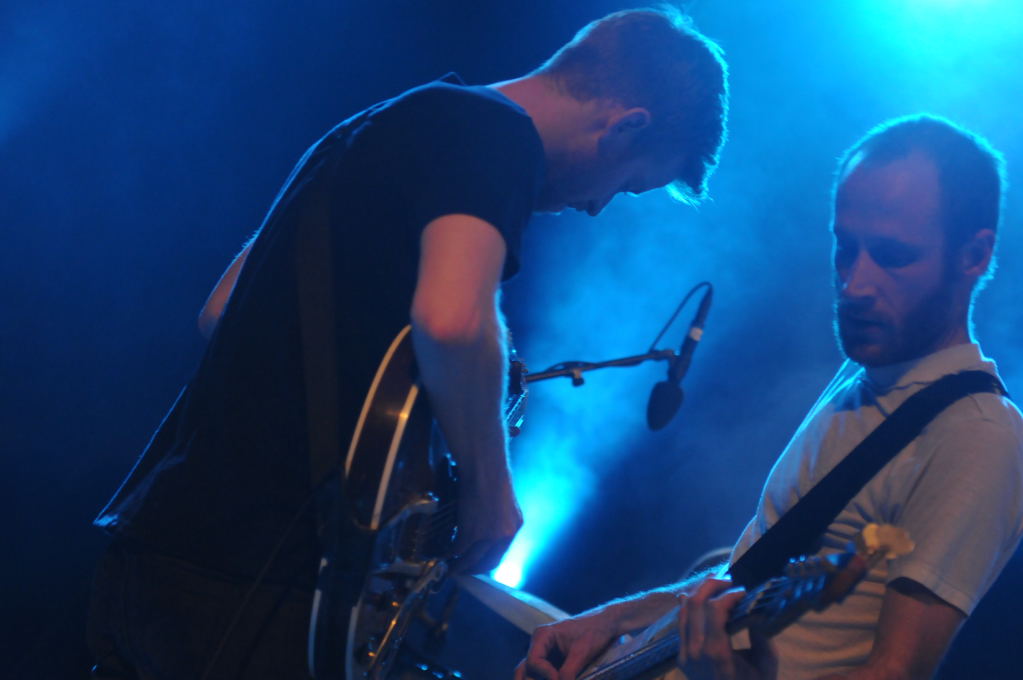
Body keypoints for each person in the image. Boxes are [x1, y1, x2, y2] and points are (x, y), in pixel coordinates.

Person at [86, 7, 730, 679]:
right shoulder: (496, 133)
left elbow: (221, 310)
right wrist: (489, 493)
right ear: (627, 125)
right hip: (252, 575)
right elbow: (454, 321)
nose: (598, 206)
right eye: (628, 184)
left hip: (162, 544)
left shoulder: (381, 124)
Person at [517, 115, 1023, 680]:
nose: (854, 284)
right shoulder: (865, 377)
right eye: (845, 248)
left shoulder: (977, 435)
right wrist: (613, 620)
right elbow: (746, 579)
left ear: (974, 255)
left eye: (892, 255)